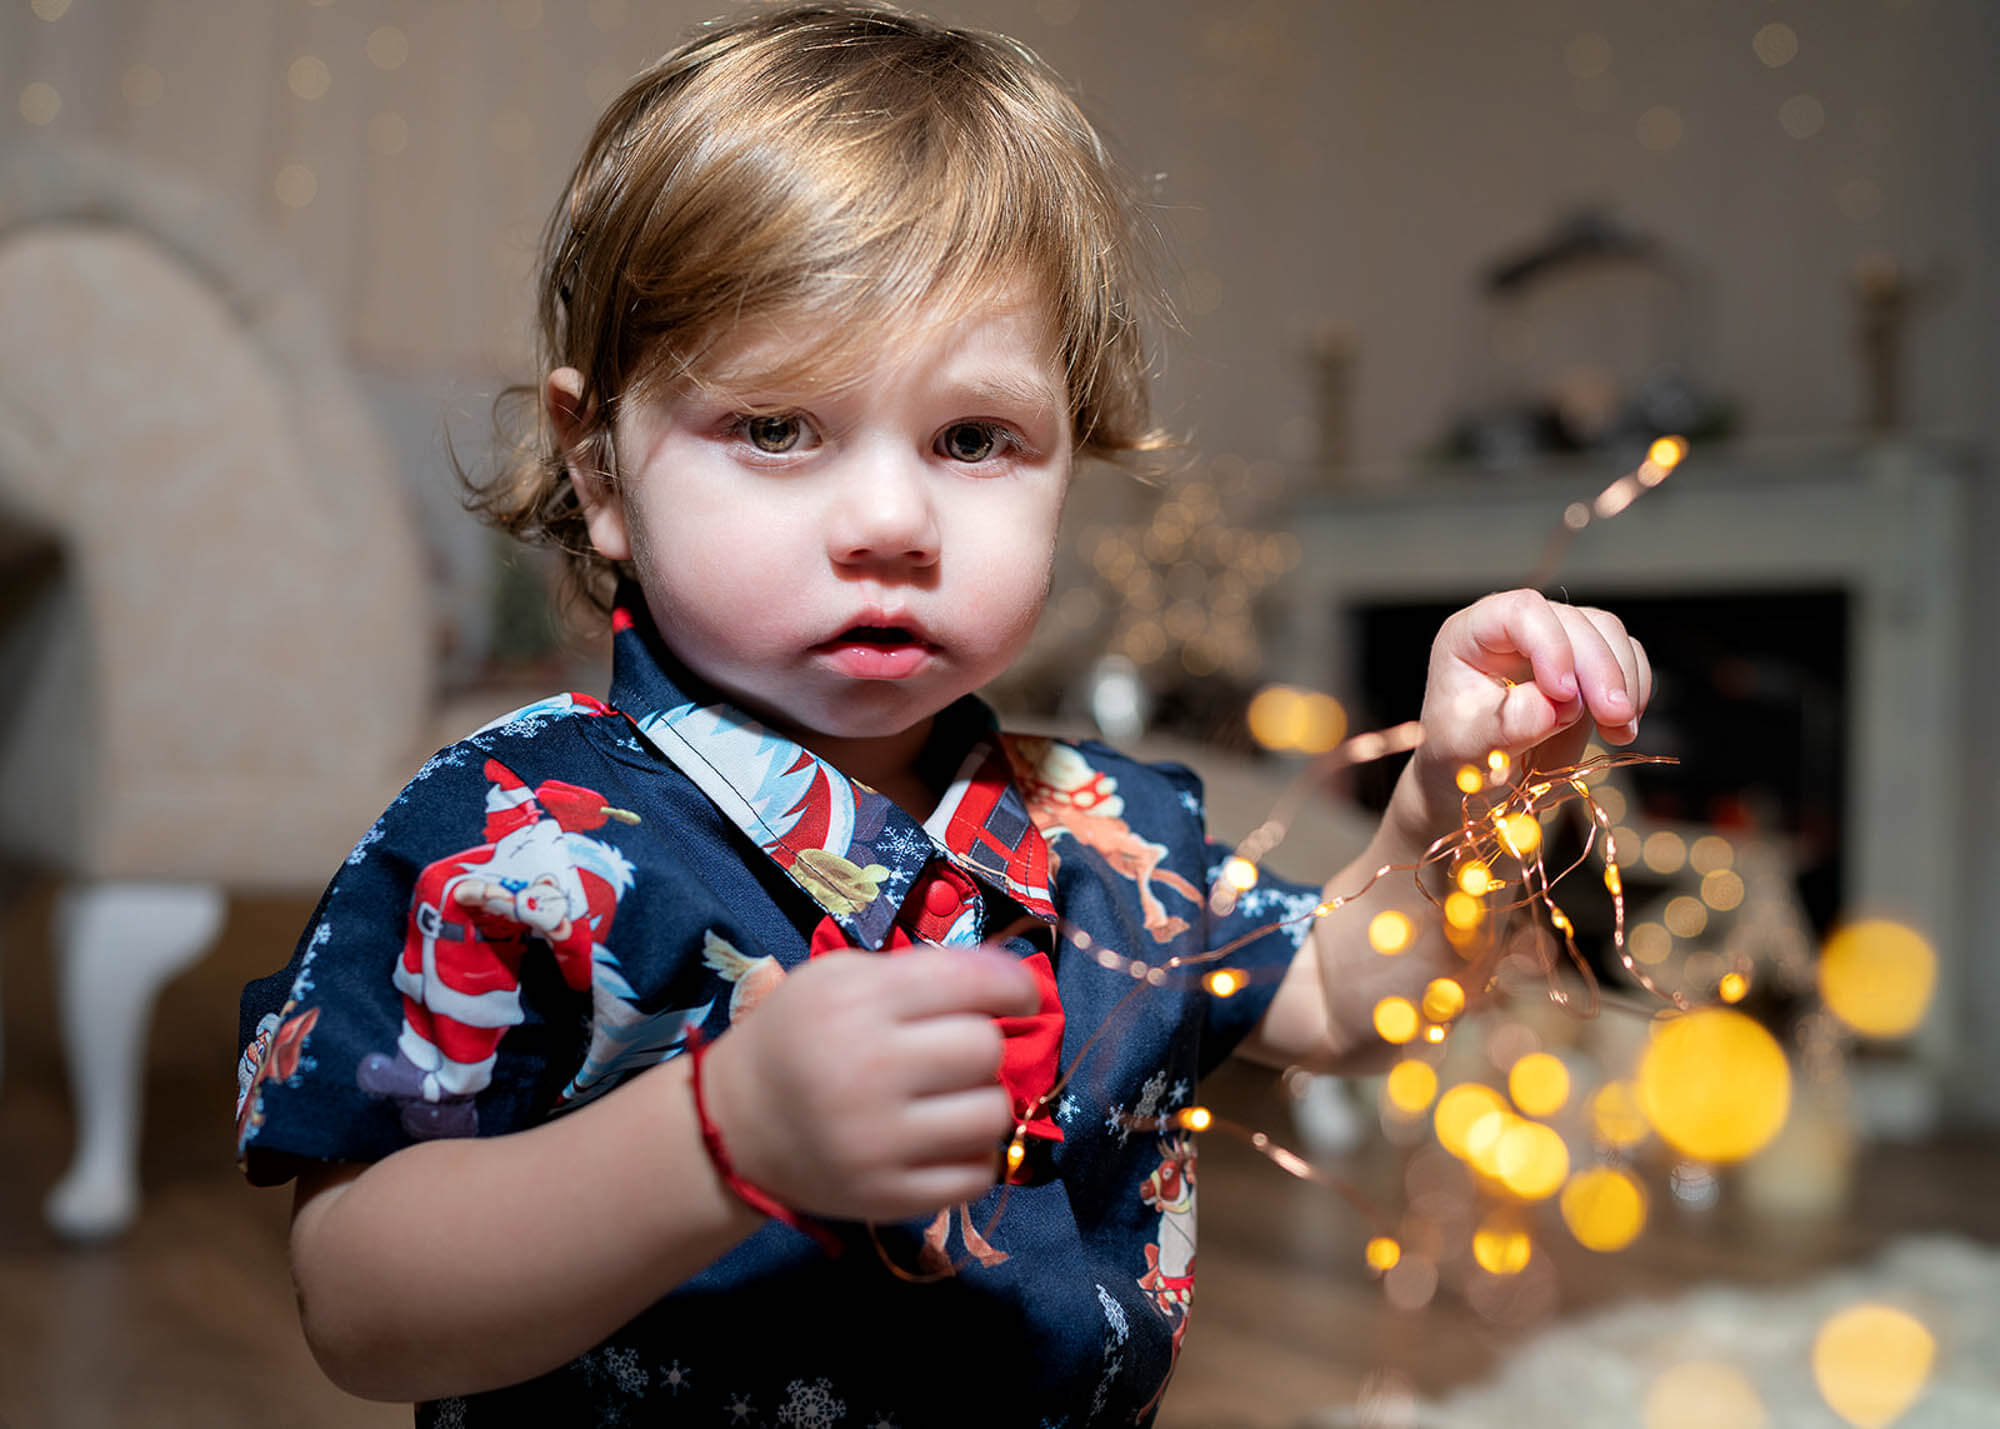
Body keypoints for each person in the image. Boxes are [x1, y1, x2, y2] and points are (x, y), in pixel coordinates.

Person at [236, 5, 1651, 1422]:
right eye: (778, 427)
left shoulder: (1109, 832)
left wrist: (1466, 800)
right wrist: (718, 1135)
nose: (892, 520)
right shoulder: (512, 838)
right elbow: (359, 1302)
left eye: (974, 439)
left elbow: (1348, 992)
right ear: (599, 470)